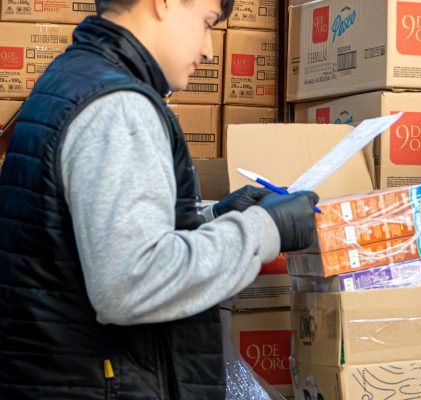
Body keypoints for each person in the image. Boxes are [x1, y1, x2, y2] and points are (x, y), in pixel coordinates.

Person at [0, 0, 320, 398]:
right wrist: (264, 230)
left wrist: (212, 219)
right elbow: (131, 281)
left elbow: (83, 244)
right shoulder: (118, 107)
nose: (209, 49)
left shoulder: (74, 79)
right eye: (207, 23)